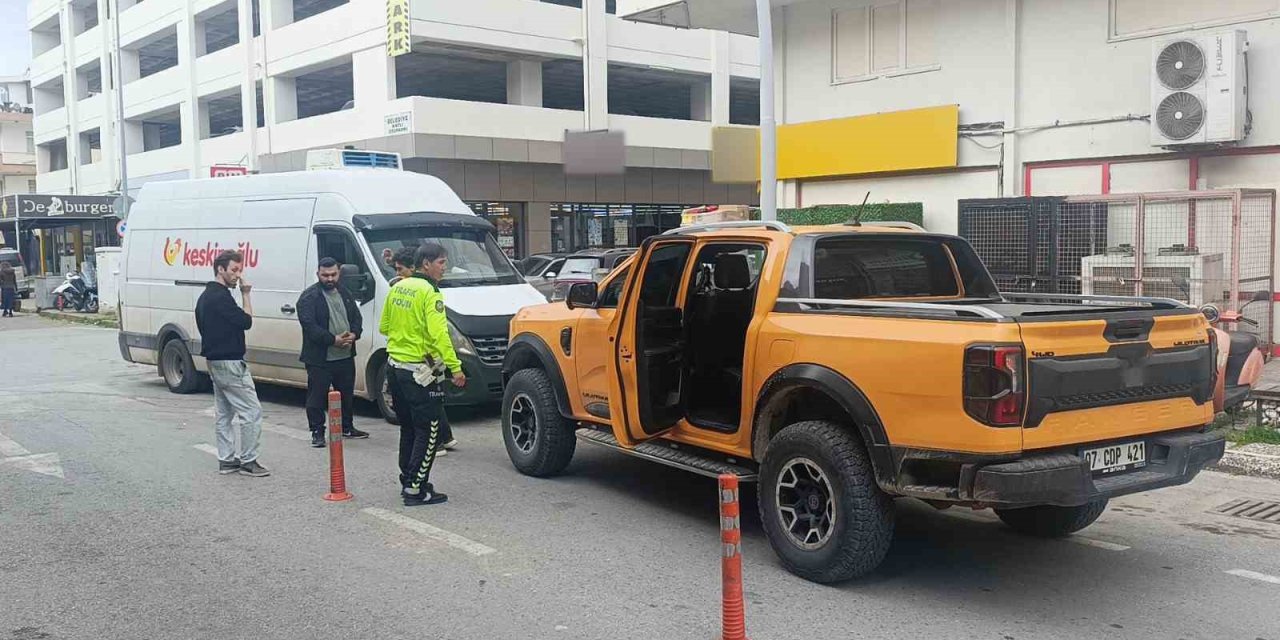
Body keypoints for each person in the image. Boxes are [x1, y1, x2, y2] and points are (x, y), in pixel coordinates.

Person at [380, 243, 465, 506]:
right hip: (419, 371)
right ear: (426, 264)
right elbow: (440, 334)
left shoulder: (398, 287)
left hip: (394, 368)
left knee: (408, 428)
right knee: (429, 430)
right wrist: (455, 368)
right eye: (441, 262)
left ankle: (408, 479)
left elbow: (384, 326)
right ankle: (416, 490)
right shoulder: (430, 292)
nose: (445, 267)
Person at [195, 250, 269, 477]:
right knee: (252, 411)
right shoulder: (221, 297)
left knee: (224, 413)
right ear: (220, 269)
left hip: (215, 361)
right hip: (230, 362)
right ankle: (249, 460)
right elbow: (246, 321)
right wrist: (246, 294)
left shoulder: (205, 296)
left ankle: (227, 459)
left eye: (240, 270)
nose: (238, 275)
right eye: (234, 270)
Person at [297, 257, 369, 448]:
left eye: (333, 275)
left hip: (345, 356)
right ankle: (317, 432)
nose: (329, 279)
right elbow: (309, 327)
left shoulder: (344, 292)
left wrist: (354, 334)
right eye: (325, 275)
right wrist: (333, 340)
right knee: (317, 397)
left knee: (346, 394)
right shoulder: (309, 297)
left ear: (339, 273)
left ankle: (347, 427)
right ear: (318, 274)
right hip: (320, 358)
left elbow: (356, 317)